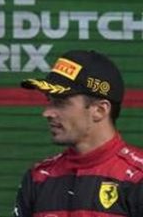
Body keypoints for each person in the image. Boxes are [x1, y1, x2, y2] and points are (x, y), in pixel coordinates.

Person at [13, 49, 143, 216]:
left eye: (60, 103)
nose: (47, 113)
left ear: (100, 110)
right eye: (49, 101)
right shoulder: (38, 178)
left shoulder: (138, 178)